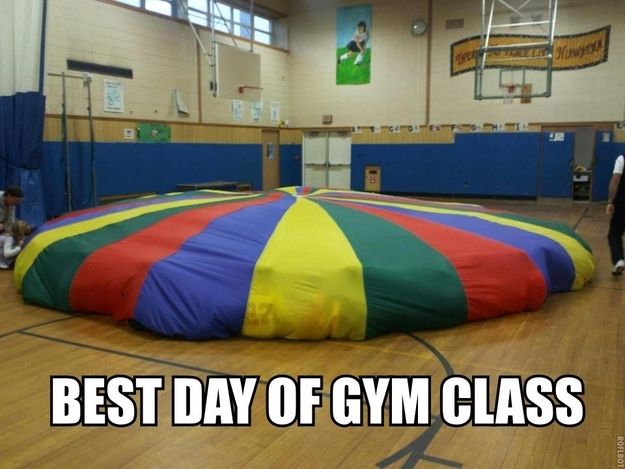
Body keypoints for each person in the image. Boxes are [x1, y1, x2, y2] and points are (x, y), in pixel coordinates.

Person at [607, 153, 625, 275]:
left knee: (614, 233)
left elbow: (615, 179)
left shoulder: (622, 158)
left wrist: (610, 201)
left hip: (623, 202)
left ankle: (619, 260)